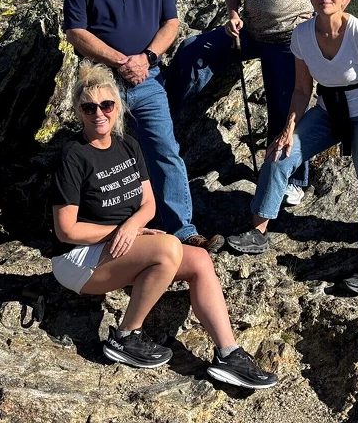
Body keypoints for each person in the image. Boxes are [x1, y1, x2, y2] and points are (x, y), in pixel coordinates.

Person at [50, 61, 277, 389]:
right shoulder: (73, 156)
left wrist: (133, 226)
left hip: (119, 247)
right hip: (77, 259)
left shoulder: (127, 145)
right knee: (169, 246)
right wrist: (124, 231)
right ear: (78, 112)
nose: (99, 113)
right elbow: (66, 230)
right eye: (89, 107)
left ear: (117, 107)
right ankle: (125, 337)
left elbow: (149, 204)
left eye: (107, 105)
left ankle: (229, 355)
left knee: (200, 260)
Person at [166, 0, 358, 205]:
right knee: (190, 51)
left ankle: (292, 178)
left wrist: (326, 17)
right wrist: (232, 14)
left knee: (284, 107)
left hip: (289, 39)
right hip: (248, 32)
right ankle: (162, 123)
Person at [226, 0, 358, 295]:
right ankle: (258, 231)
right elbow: (302, 89)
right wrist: (288, 128)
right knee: (280, 155)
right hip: (328, 112)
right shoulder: (302, 35)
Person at [63, 0, 223, 252]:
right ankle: (105, 232)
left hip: (147, 77)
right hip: (102, 81)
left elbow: (171, 23)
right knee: (103, 154)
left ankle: (183, 231)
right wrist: (122, 61)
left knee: (164, 150)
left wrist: (146, 58)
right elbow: (75, 31)